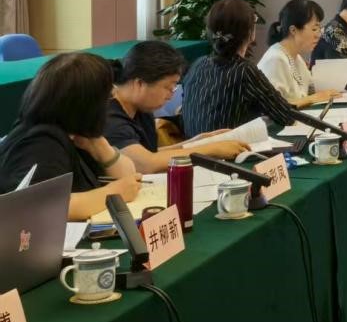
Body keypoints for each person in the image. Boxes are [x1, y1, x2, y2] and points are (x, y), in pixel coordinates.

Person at [0, 53, 142, 220]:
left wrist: (101, 148)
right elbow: (42, 206)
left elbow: (128, 177)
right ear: (87, 103)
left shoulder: (75, 130)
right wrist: (113, 194)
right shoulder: (41, 143)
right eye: (107, 96)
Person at [107, 41, 250, 173]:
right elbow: (145, 163)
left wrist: (199, 141)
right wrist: (212, 149)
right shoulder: (110, 117)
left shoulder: (140, 109)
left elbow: (151, 154)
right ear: (140, 83)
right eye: (168, 87)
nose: (170, 96)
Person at [181, 0, 297, 136]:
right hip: (227, 147)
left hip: (193, 147)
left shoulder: (197, 64)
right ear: (249, 32)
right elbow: (285, 115)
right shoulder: (244, 70)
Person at [257, 0, 342, 107]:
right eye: (314, 29)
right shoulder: (275, 59)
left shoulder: (296, 57)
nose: (318, 35)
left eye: (319, 29)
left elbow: (312, 87)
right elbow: (273, 107)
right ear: (293, 30)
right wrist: (313, 98)